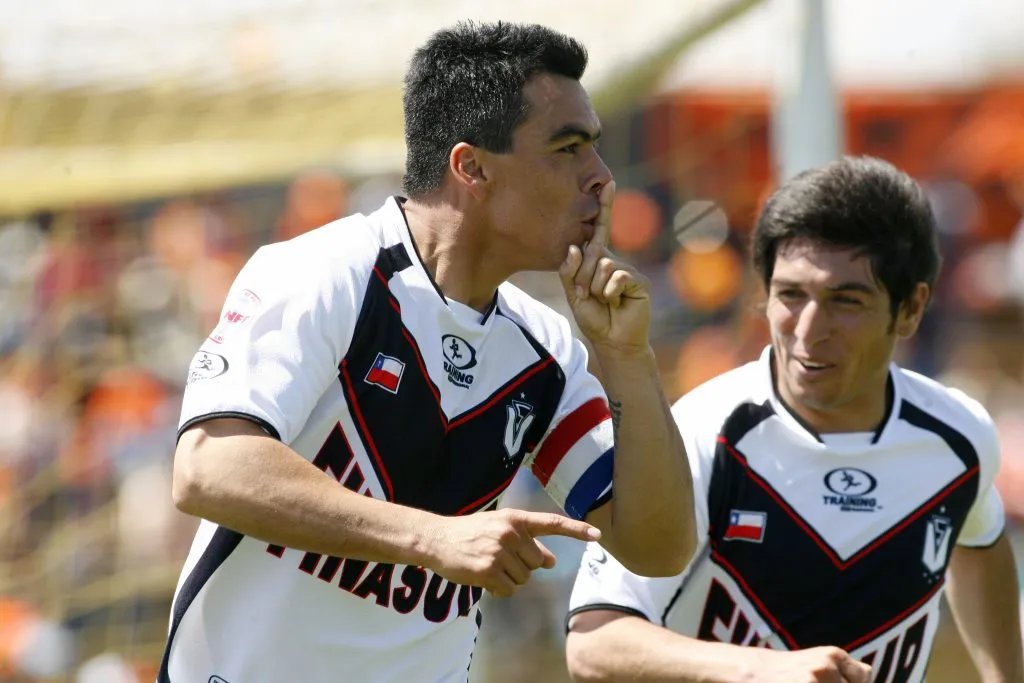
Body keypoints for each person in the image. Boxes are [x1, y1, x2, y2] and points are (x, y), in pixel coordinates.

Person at [161, 20, 696, 683]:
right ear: (471, 166)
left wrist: (628, 360)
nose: (602, 178)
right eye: (569, 147)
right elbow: (209, 466)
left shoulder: (548, 347)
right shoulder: (328, 273)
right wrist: (432, 536)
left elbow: (658, 544)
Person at [565, 156, 1024, 683]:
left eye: (844, 301)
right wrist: (763, 669)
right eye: (790, 295)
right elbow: (594, 643)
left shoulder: (958, 436)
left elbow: (980, 542)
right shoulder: (702, 432)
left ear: (910, 309)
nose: (808, 330)